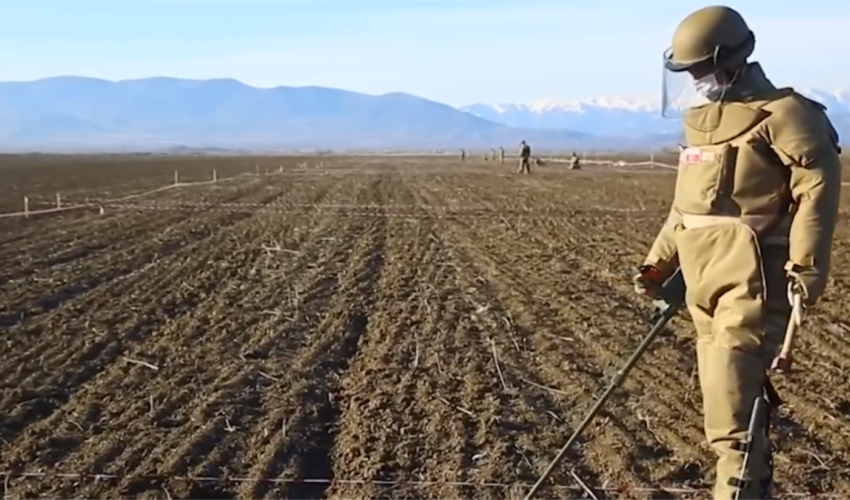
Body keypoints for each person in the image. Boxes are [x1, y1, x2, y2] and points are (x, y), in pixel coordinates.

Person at [632, 5, 841, 500]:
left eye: (701, 70)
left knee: (732, 427)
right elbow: (686, 209)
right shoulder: (702, 123)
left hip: (752, 284)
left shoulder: (788, 116)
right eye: (689, 74)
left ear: (730, 61)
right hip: (703, 285)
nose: (696, 81)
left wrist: (806, 270)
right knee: (731, 409)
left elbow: (819, 194)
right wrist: (658, 262)